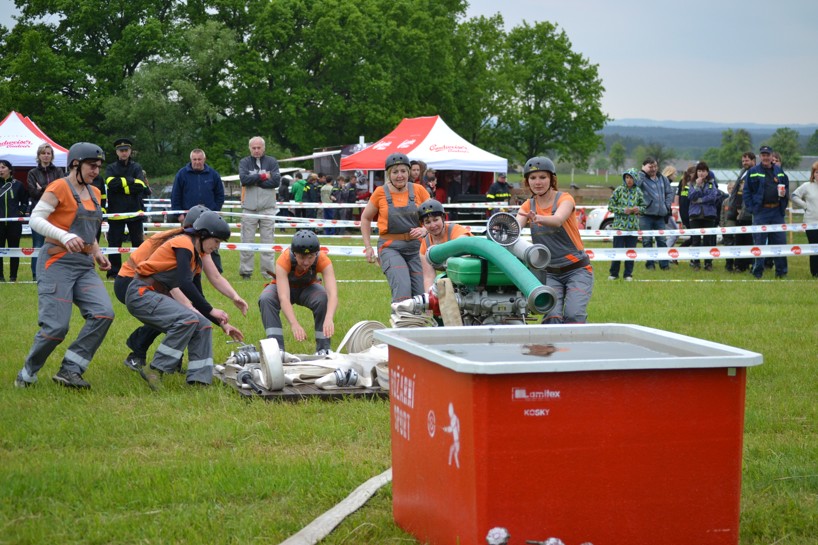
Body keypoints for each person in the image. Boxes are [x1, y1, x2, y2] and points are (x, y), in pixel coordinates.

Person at [15, 143, 115, 389]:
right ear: (75, 164)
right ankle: (27, 373)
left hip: (84, 264)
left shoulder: (95, 192)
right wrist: (64, 235)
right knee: (56, 327)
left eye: (99, 166)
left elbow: (89, 231)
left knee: (103, 313)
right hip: (56, 261)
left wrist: (98, 252)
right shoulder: (59, 186)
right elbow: (36, 219)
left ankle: (70, 370)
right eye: (92, 165)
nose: (96, 171)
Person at [115, 205, 247, 374]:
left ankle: (180, 366)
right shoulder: (180, 244)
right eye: (216, 241)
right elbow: (177, 285)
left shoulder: (195, 251)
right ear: (201, 231)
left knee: (185, 316)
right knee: (178, 317)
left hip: (158, 284)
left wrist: (220, 320)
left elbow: (200, 286)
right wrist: (206, 310)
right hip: (129, 281)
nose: (216, 247)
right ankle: (140, 353)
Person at [516, 156, 593, 324]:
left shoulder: (565, 199)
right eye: (533, 178)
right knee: (552, 317)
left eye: (543, 177)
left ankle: (576, 349)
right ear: (527, 182)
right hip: (549, 273)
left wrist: (537, 218)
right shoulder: (527, 206)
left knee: (574, 316)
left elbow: (558, 220)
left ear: (552, 179)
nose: (538, 182)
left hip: (577, 270)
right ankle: (552, 350)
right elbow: (515, 229)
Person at [360, 152, 430, 303]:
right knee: (403, 289)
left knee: (422, 295)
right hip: (390, 247)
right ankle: (400, 325)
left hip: (416, 248)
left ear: (409, 172)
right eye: (395, 172)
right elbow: (365, 218)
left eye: (403, 171)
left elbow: (435, 215)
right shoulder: (380, 193)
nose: (400, 175)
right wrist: (368, 247)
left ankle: (418, 326)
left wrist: (425, 229)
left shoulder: (419, 190)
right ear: (388, 174)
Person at [259, 230, 337, 355]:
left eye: (310, 257)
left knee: (323, 298)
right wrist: (294, 324)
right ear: (294, 254)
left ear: (317, 254)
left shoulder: (323, 260)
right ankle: (276, 350)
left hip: (308, 288)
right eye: (301, 257)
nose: (306, 262)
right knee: (266, 298)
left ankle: (324, 349)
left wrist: (329, 318)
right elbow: (284, 297)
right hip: (284, 288)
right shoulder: (283, 259)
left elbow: (332, 294)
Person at [171, 149, 226, 271]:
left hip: (209, 217)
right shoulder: (181, 174)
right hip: (188, 217)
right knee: (188, 243)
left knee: (212, 242)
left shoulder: (213, 174)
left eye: (199, 159)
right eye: (194, 159)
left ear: (204, 160)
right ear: (191, 160)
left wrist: (215, 211)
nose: (197, 162)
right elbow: (175, 195)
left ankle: (216, 270)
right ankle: (189, 268)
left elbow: (220, 195)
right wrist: (179, 214)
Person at [104, 138, 150, 279]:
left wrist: (122, 184)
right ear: (117, 152)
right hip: (116, 211)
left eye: (126, 150)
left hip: (134, 211)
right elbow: (111, 184)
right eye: (121, 150)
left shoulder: (136, 167)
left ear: (130, 151)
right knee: (114, 243)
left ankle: (139, 269)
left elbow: (140, 186)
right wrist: (130, 181)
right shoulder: (111, 168)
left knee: (138, 243)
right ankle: (114, 272)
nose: (124, 153)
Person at [238, 136, 280, 280]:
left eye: (259, 147)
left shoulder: (272, 162)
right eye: (253, 148)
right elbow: (244, 180)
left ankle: (268, 274)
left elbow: (276, 181)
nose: (256, 150)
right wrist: (263, 176)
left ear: (263, 148)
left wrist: (255, 180)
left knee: (268, 242)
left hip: (268, 208)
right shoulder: (244, 162)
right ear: (250, 148)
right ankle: (246, 272)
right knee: (246, 241)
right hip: (249, 208)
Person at [744, 145, 788, 279]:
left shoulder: (779, 171)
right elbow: (747, 192)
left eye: (768, 154)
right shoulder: (753, 171)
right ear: (760, 156)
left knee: (780, 242)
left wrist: (783, 203)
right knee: (759, 242)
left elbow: (786, 188)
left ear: (771, 156)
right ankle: (757, 272)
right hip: (761, 212)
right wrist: (752, 209)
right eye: (763, 155)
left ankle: (781, 273)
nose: (765, 157)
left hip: (776, 211)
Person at [25, 143, 65, 280]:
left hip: (56, 213)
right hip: (39, 213)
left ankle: (55, 273)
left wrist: (42, 188)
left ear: (52, 156)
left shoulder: (59, 171)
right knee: (38, 245)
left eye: (48, 153)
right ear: (39, 155)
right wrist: (48, 189)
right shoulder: (32, 173)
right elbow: (32, 193)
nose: (46, 156)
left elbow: (61, 191)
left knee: (57, 244)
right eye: (43, 153)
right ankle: (36, 275)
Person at [417, 198, 472, 291]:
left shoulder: (456, 230)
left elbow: (464, 246)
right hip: (455, 277)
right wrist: (430, 299)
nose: (433, 225)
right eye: (428, 222)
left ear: (443, 218)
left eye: (435, 220)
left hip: (471, 274)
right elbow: (429, 277)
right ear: (423, 225)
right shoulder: (425, 245)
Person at [607, 168, 645, 281]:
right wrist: (623, 210)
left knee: (630, 251)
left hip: (633, 227)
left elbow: (643, 208)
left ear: (635, 179)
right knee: (617, 250)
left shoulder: (638, 191)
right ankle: (614, 273)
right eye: (627, 177)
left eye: (631, 178)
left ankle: (628, 274)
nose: (629, 180)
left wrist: (636, 209)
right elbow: (610, 206)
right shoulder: (619, 190)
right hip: (619, 227)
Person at [636, 157, 673, 270]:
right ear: (644, 167)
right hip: (645, 215)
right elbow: (635, 186)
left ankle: (664, 264)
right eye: (650, 167)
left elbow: (669, 193)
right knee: (647, 240)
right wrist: (642, 172)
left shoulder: (663, 178)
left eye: (655, 166)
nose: (653, 169)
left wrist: (666, 206)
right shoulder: (641, 178)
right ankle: (650, 263)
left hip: (660, 215)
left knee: (662, 240)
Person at [724, 152, 755, 273]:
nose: (744, 163)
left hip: (747, 212)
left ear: (753, 160)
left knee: (748, 239)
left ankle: (746, 265)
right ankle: (739, 265)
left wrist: (744, 209)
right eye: (743, 161)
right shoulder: (743, 172)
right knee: (739, 239)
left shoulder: (755, 172)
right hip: (737, 212)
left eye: (747, 161)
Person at [686, 161, 720, 271]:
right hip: (695, 215)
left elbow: (713, 196)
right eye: (699, 171)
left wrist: (700, 200)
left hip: (709, 215)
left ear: (707, 172)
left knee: (708, 240)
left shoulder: (711, 183)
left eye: (703, 171)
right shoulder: (691, 183)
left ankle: (708, 263)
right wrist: (697, 186)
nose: (701, 173)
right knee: (695, 240)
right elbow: (690, 196)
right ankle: (696, 263)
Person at [1, 159, 28, 282]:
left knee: (14, 250)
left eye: (3, 167)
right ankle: (0, 277)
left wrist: (20, 213)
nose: (0, 170)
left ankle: (13, 277)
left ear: (10, 170)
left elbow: (25, 202)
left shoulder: (18, 184)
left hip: (14, 224)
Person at [791, 160, 818, 277]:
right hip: (811, 222)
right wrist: (805, 205)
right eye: (817, 172)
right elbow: (794, 196)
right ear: (813, 174)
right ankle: (815, 272)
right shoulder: (807, 186)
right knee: (814, 248)